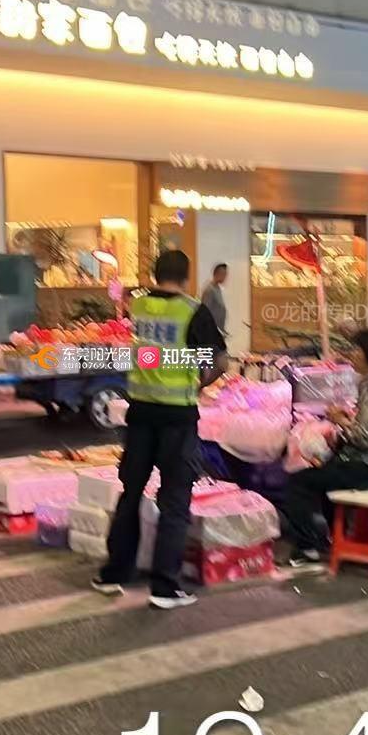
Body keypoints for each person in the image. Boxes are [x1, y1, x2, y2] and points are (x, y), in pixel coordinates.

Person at [92, 249, 227, 609]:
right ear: (186, 276)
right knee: (174, 501)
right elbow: (220, 361)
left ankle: (113, 574)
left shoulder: (139, 306)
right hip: (177, 418)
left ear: (155, 274)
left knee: (131, 493)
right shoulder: (192, 310)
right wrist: (198, 383)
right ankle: (165, 586)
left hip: (140, 414)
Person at [284, 328, 368, 570]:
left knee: (298, 482)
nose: (351, 354)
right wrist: (349, 421)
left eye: (356, 350)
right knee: (326, 471)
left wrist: (340, 421)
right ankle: (333, 537)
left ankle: (307, 548)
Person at [201, 263, 228, 335]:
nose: (225, 277)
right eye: (224, 274)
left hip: (218, 331)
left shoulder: (217, 288)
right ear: (217, 274)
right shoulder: (209, 290)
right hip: (211, 332)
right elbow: (205, 312)